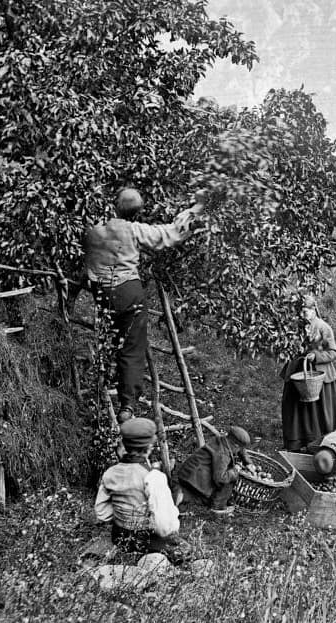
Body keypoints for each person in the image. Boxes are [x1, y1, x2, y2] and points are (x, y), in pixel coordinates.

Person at [82, 187, 204, 423]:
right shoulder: (134, 229)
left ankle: (99, 389)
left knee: (108, 339)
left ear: (115, 205)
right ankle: (127, 405)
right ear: (136, 213)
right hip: (128, 290)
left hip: (102, 292)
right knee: (132, 348)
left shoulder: (91, 227)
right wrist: (196, 208)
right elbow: (170, 234)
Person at [94, 418, 189, 563]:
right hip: (146, 541)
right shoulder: (153, 477)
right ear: (149, 448)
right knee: (186, 550)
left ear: (124, 445)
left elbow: (102, 513)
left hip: (119, 537)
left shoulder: (110, 473)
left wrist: (124, 516)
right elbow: (165, 527)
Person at [280, 294, 336, 451]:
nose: (302, 315)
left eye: (305, 311)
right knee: (294, 407)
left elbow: (334, 353)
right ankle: (296, 443)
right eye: (299, 312)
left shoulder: (323, 327)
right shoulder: (295, 327)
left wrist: (317, 356)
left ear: (314, 310)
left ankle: (319, 443)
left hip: (317, 375)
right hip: (298, 373)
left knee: (317, 412)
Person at [174, 426, 252, 516]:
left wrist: (248, 463)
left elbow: (241, 450)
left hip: (188, 472)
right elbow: (220, 479)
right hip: (195, 480)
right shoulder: (223, 454)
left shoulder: (222, 440)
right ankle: (217, 507)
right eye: (239, 448)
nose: (239, 450)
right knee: (229, 477)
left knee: (228, 473)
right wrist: (235, 470)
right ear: (235, 445)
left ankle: (184, 495)